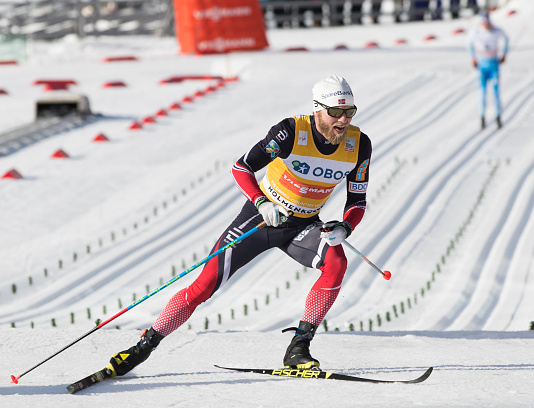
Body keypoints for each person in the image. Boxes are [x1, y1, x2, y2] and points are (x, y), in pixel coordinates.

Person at [106, 75, 373, 376]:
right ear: (317, 109)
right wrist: (262, 202)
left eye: (349, 112)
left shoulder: (358, 144)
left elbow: (357, 201)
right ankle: (143, 347)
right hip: (260, 220)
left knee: (336, 261)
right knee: (202, 288)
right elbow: (241, 166)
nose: (343, 120)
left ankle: (299, 348)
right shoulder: (290, 132)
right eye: (335, 112)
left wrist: (345, 227)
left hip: (303, 225)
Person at [466, 13, 509, 130]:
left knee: (495, 93)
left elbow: (506, 39)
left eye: (487, 23)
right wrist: (473, 58)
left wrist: (504, 54)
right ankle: (482, 117)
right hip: (482, 66)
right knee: (482, 93)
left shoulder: (496, 31)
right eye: (483, 23)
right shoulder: (476, 31)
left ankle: (498, 117)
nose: (485, 26)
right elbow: (469, 43)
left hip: (494, 65)